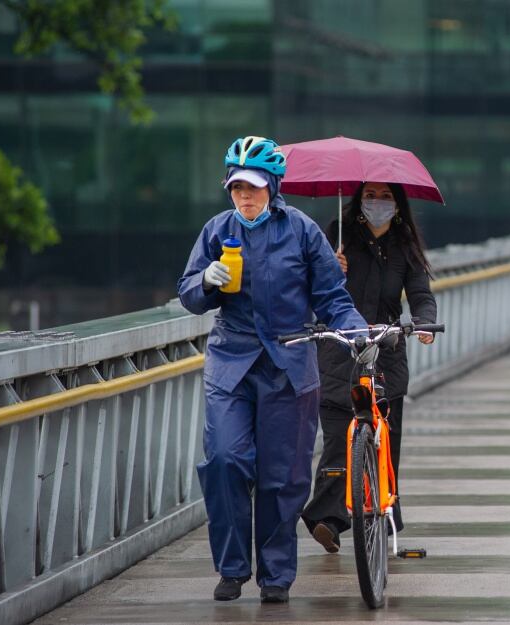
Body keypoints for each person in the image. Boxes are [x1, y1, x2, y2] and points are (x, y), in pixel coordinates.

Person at [177, 136, 367, 603]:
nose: (245, 196)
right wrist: (205, 281)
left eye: (255, 187)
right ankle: (232, 567)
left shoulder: (302, 231)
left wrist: (355, 328)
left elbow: (332, 297)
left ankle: (276, 575)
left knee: (283, 477)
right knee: (224, 460)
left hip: (289, 364)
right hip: (231, 363)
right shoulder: (217, 230)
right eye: (238, 187)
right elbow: (189, 294)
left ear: (273, 187)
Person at [301, 181, 437, 552]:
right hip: (339, 350)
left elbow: (421, 294)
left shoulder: (405, 245)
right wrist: (330, 268)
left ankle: (385, 513)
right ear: (359, 199)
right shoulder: (338, 234)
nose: (378, 202)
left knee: (386, 438)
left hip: (386, 350)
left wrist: (425, 323)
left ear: (398, 203)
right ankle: (328, 520)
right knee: (337, 441)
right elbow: (309, 285)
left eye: (386, 196)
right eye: (371, 195)